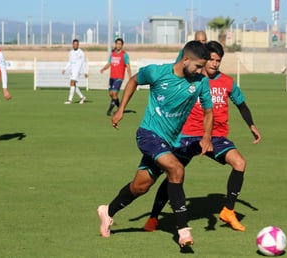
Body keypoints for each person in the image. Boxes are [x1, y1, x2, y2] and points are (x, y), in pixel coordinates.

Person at [97, 40, 213, 247]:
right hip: (148, 134)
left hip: (168, 143)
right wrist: (121, 109)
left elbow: (208, 111)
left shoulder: (201, 82)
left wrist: (206, 137)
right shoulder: (157, 73)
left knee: (140, 187)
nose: (200, 70)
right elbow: (133, 80)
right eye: (197, 66)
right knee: (176, 170)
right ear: (185, 60)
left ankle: (108, 211)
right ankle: (183, 230)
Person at [143, 41, 261, 233]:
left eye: (218, 61)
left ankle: (228, 211)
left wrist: (252, 125)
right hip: (187, 136)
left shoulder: (228, 82)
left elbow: (241, 104)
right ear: (204, 61)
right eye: (211, 60)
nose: (214, 64)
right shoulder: (192, 80)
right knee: (173, 176)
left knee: (240, 163)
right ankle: (154, 217)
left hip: (215, 137)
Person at [100, 38, 132, 116]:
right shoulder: (113, 54)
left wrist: (130, 77)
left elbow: (128, 66)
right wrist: (104, 68)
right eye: (117, 44)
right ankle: (120, 107)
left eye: (120, 44)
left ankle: (109, 110)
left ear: (122, 45)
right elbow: (109, 63)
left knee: (114, 94)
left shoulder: (124, 55)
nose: (118, 45)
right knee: (111, 94)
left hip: (119, 77)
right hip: (112, 77)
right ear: (115, 44)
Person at [62, 39, 88, 104]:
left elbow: (83, 63)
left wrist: (85, 72)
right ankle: (82, 97)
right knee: (73, 85)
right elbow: (69, 62)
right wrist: (65, 68)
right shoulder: (71, 52)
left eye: (76, 44)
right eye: (74, 44)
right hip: (72, 70)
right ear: (72, 45)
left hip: (77, 71)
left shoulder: (81, 53)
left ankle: (70, 100)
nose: (75, 45)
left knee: (72, 83)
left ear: (78, 45)